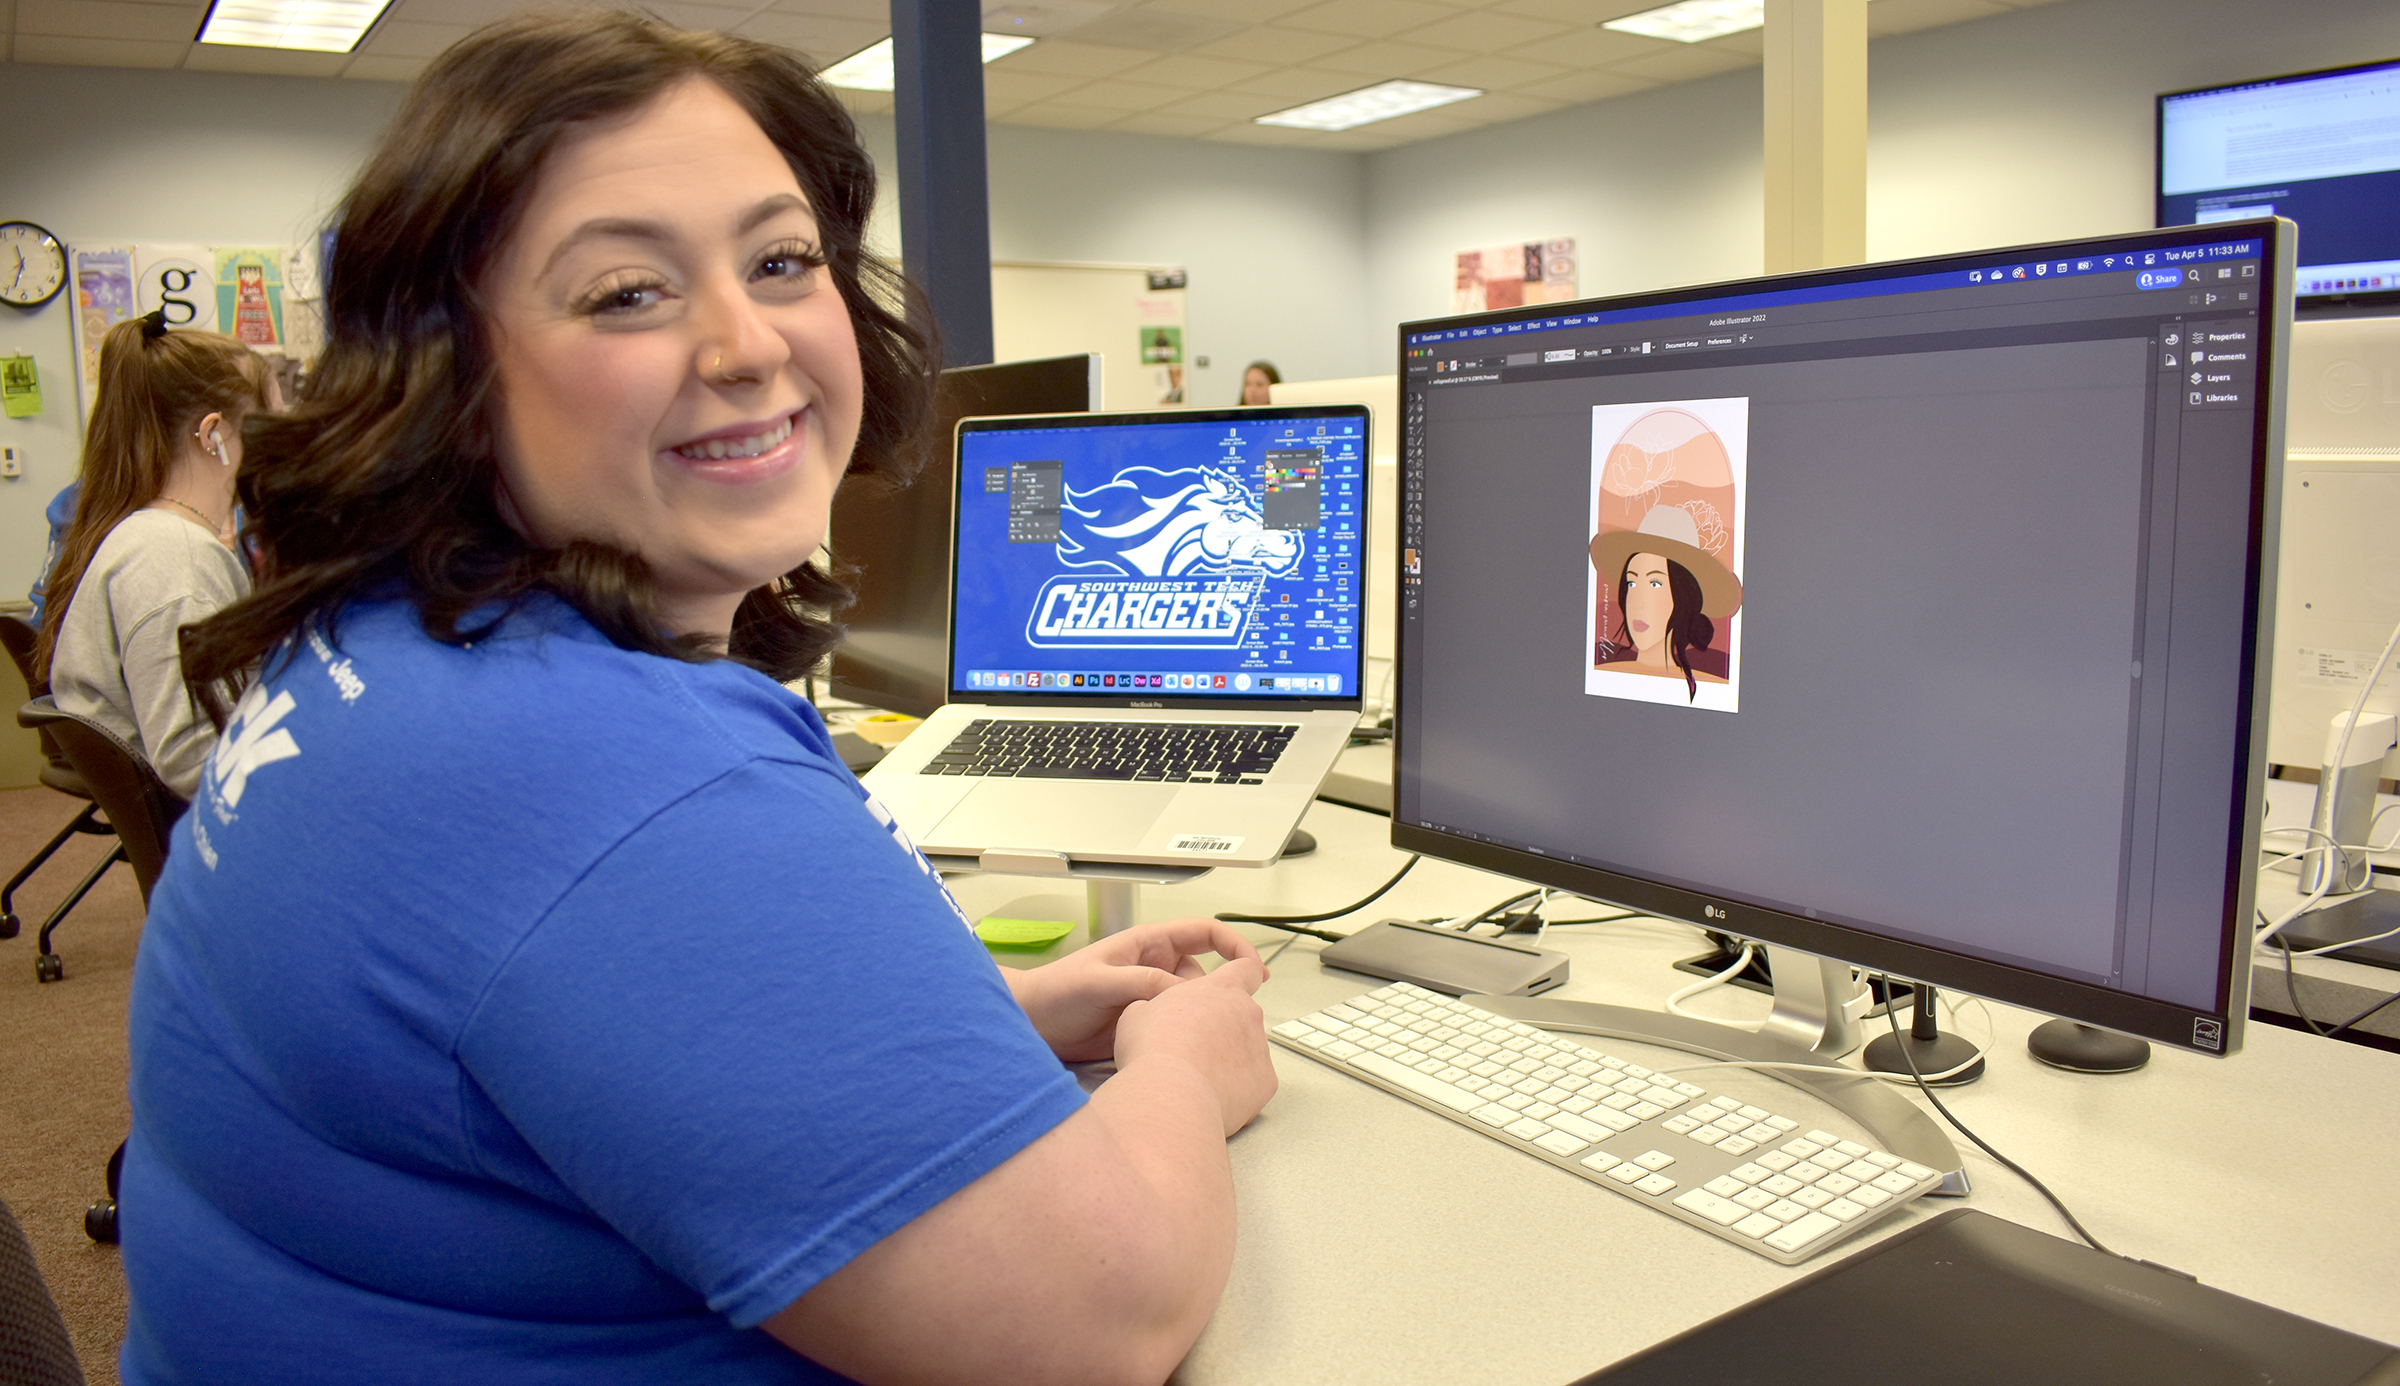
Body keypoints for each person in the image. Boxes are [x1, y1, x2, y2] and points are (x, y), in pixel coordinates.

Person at [127, 13, 1276, 1386]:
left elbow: (552, 1022)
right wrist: (1185, 1072)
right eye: (626, 292)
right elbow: (1096, 1324)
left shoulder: (389, 643)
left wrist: (987, 1021)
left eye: (783, 260)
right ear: (453, 371)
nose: (745, 342)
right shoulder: (610, 779)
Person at [37, 313, 276, 798]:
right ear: (213, 436)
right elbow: (195, 760)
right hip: (217, 829)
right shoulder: (175, 558)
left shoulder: (157, 536)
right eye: (271, 423)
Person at [1588, 504, 1741, 701]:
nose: (1638, 603)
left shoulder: (1710, 688)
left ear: (1683, 596)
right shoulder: (1605, 674)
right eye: (1632, 583)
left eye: (1655, 583)